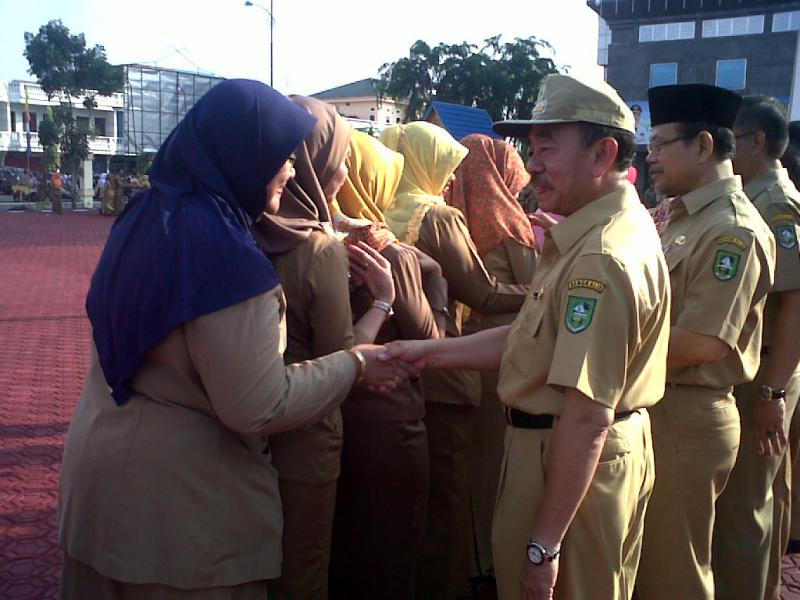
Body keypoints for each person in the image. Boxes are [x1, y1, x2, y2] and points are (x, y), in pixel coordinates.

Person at [58, 79, 411, 599]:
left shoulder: (147, 214)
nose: (292, 171)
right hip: (180, 515)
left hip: (97, 477)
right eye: (281, 158)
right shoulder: (225, 255)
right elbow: (258, 405)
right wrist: (357, 364)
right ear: (243, 153)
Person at [383, 73, 671, 600]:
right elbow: (533, 339)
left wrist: (545, 546)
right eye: (529, 148)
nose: (531, 164)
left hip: (563, 461)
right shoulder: (592, 230)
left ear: (602, 155)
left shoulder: (600, 259)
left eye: (546, 149)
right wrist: (424, 353)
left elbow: (587, 416)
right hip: (563, 454)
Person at [250, 95, 395, 600]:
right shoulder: (317, 251)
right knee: (304, 568)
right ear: (319, 164)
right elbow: (344, 361)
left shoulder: (243, 228)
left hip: (241, 434)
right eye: (341, 162)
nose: (346, 176)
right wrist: (382, 302)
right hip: (307, 439)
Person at [636, 84, 776, 600]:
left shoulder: (731, 231)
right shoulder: (683, 217)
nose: (649, 158)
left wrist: (608, 346)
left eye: (658, 144)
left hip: (688, 416)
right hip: (661, 406)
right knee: (650, 564)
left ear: (701, 145)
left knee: (673, 575)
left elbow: (701, 343)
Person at [380, 121, 529, 600]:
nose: (451, 180)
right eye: (445, 167)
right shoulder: (437, 216)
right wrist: (547, 293)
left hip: (397, 370)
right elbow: (482, 290)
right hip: (456, 369)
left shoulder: (378, 202)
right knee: (450, 495)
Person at [328, 130, 444, 600]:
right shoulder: (387, 251)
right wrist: (430, 278)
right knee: (390, 557)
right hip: (389, 425)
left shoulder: (322, 240)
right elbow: (430, 340)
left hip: (332, 419)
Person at [713, 96, 800, 600]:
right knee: (762, 500)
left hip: (766, 371)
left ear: (758, 143)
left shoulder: (774, 205)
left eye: (735, 141)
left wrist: (772, 390)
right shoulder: (759, 197)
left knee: (745, 509)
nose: (729, 151)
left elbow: (793, 304)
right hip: (764, 370)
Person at [443, 133, 537, 594]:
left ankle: (472, 557)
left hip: (466, 348)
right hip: (504, 354)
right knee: (495, 469)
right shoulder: (507, 219)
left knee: (474, 463)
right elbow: (538, 288)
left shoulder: (457, 215)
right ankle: (490, 565)